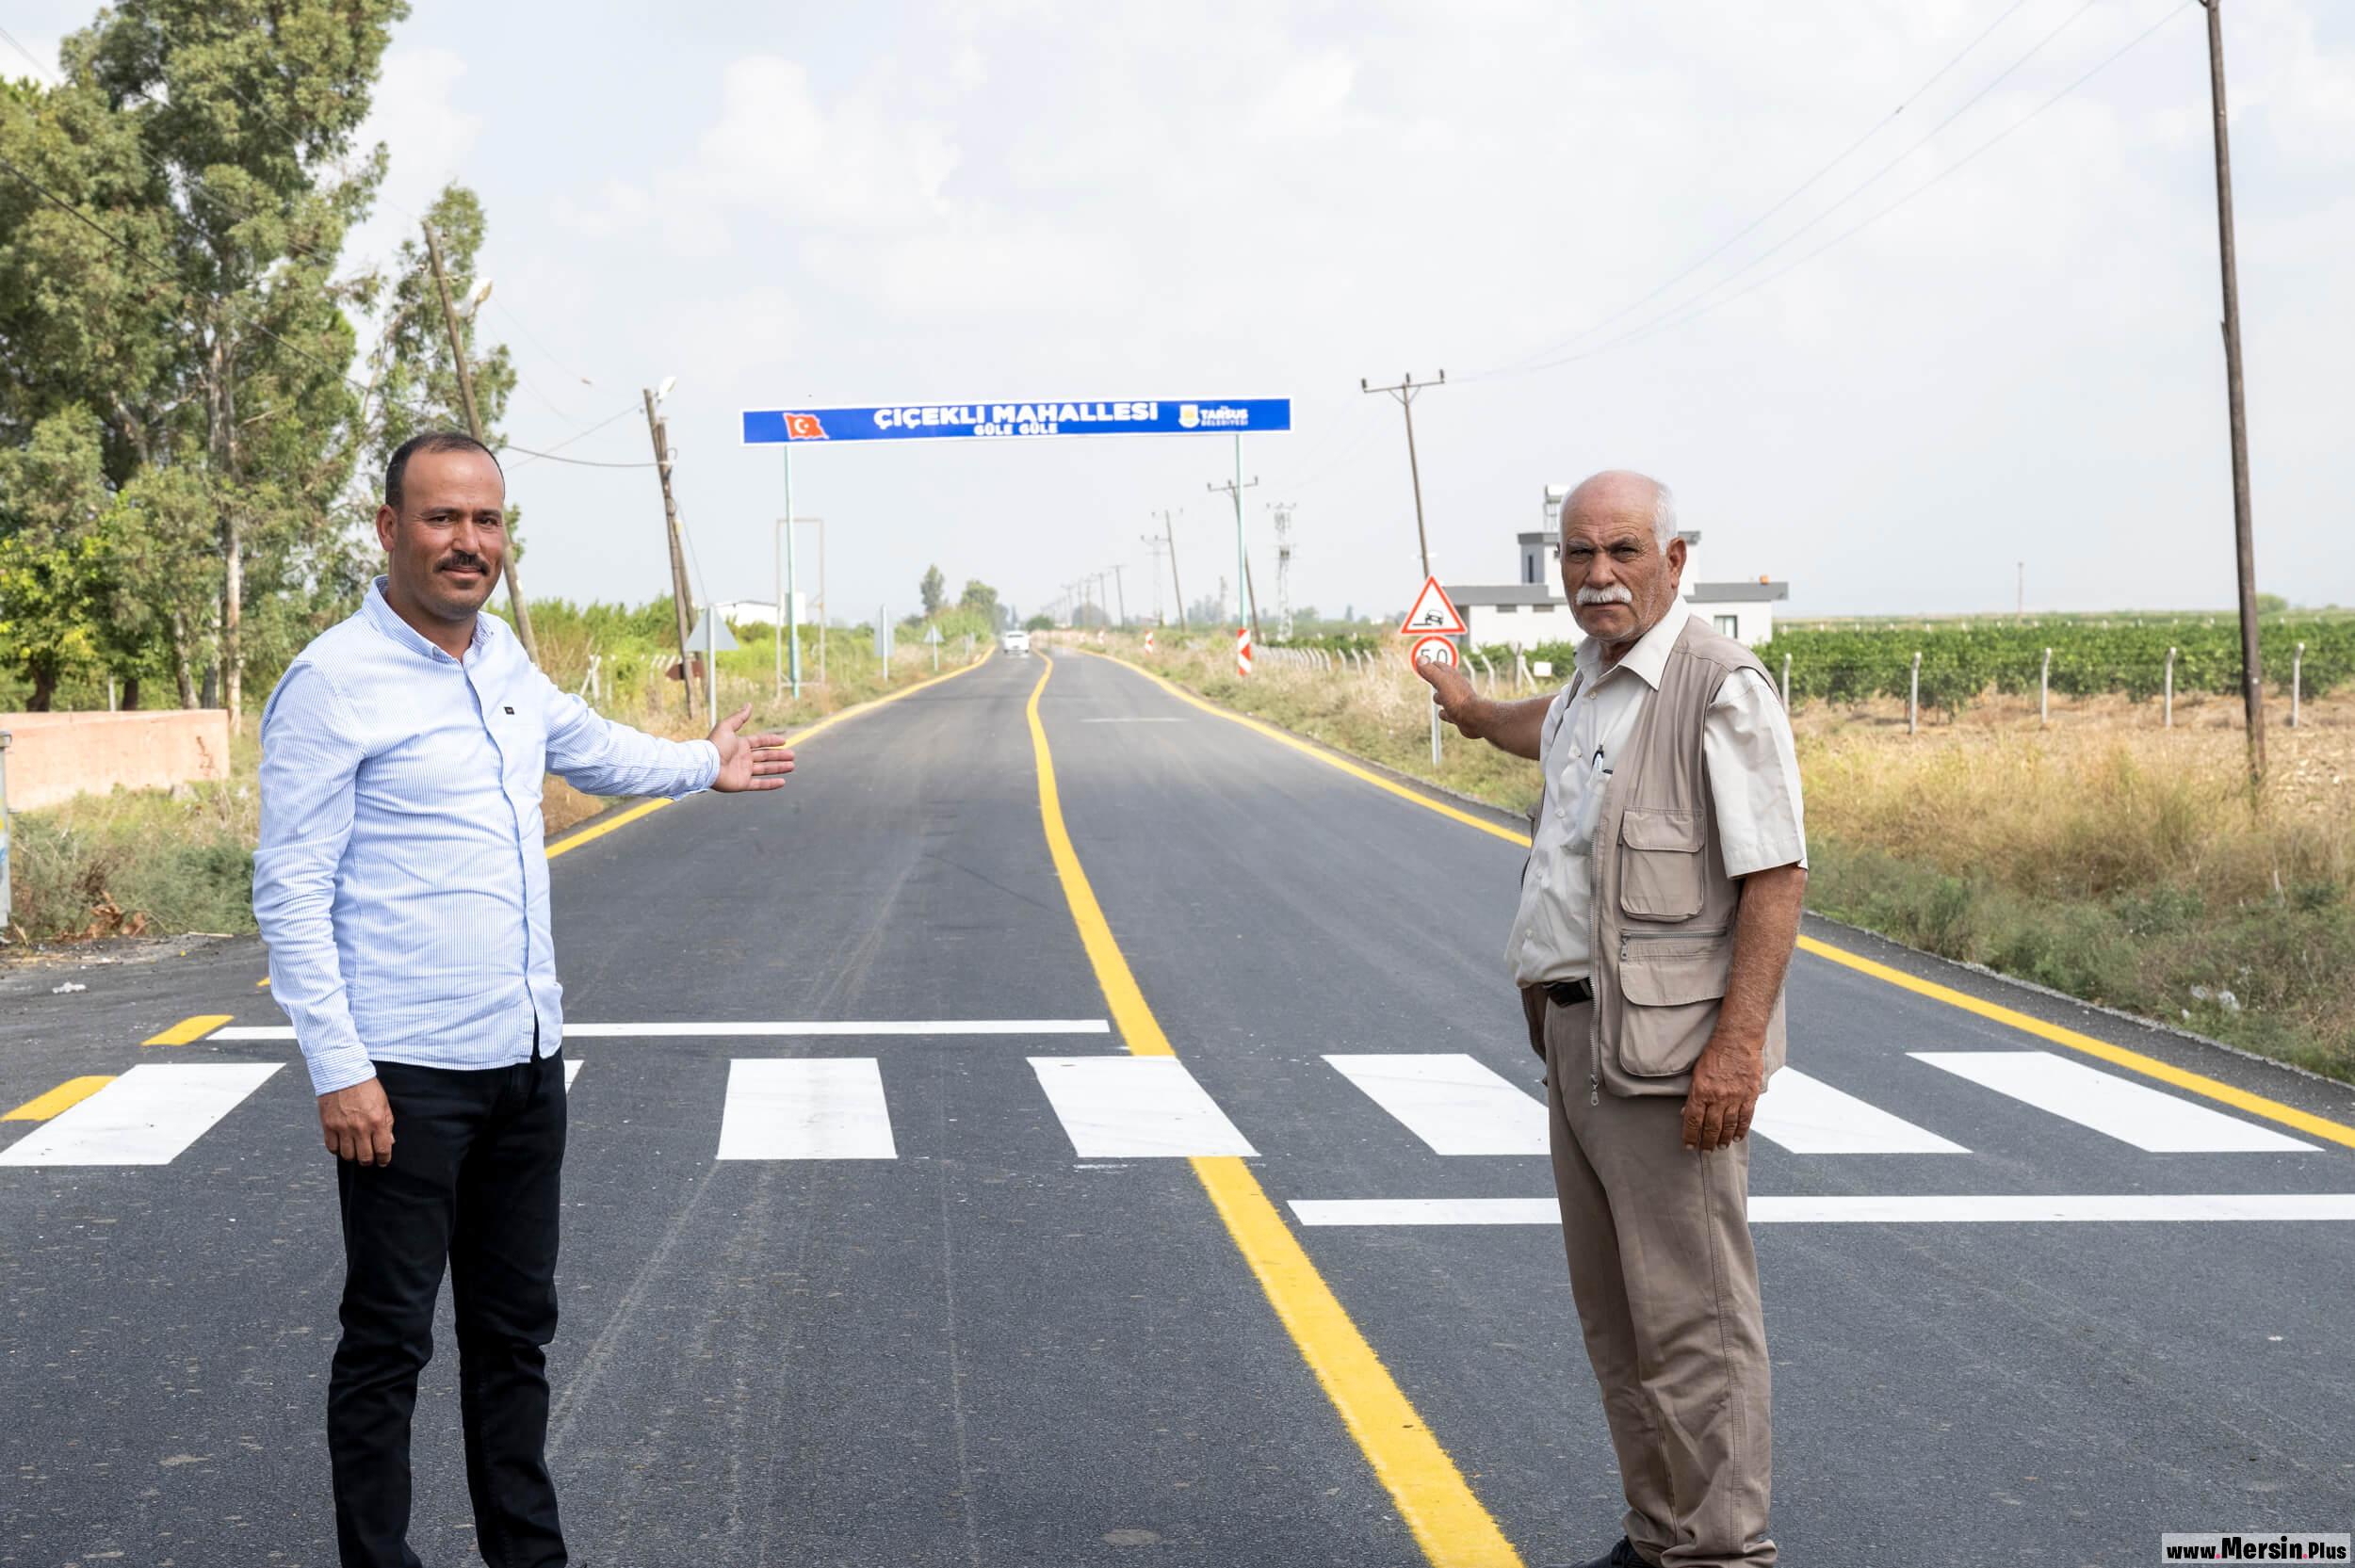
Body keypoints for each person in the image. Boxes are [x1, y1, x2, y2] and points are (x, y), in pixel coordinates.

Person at [253, 430, 795, 1568]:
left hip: (524, 1061)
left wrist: (701, 764)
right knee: (389, 1344)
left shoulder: (502, 660)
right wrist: (338, 1068)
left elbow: (591, 748)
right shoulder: (333, 682)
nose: (468, 543)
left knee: (515, 1341)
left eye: (486, 521)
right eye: (442, 518)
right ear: (390, 529)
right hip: (403, 1076)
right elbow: (290, 891)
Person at [1416, 471, 1806, 1568]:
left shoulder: (1718, 688)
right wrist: (1470, 711)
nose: (1597, 574)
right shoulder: (1592, 684)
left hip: (1671, 1059)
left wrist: (1735, 1050)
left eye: (1622, 550)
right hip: (1577, 1038)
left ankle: (1719, 1550)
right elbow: (1547, 731)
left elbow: (1776, 876)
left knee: (1692, 1320)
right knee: (1618, 1318)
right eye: (1578, 554)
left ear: (1673, 561)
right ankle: (1659, 1535)